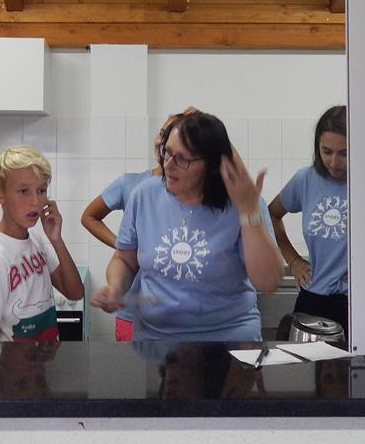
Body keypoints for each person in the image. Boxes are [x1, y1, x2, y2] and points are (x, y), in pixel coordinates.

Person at [90, 111, 282, 341]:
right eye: (167, 152)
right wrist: (116, 287)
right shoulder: (145, 195)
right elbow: (125, 260)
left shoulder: (244, 203)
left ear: (211, 165)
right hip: (156, 340)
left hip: (228, 340)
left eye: (182, 159)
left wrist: (248, 212)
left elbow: (268, 282)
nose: (168, 165)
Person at [81, 108, 196, 341]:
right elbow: (90, 217)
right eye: (162, 133)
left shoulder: (202, 197)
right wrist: (122, 245)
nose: (163, 142)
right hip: (135, 312)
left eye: (172, 137)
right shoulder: (134, 185)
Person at [0, 145, 85, 341]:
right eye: (24, 191)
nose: (35, 202)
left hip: (45, 357)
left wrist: (56, 240)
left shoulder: (35, 240)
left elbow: (75, 293)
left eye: (41, 190)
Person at [268, 105, 350, 342]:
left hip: (356, 302)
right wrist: (293, 260)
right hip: (313, 299)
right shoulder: (305, 179)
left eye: (343, 153)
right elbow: (271, 215)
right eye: (327, 152)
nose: (333, 162)